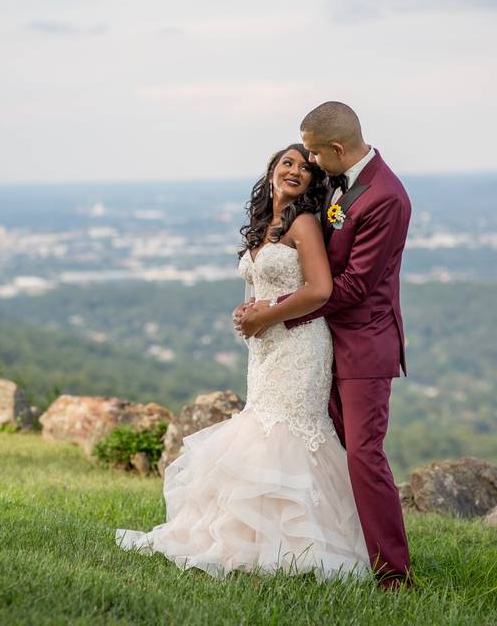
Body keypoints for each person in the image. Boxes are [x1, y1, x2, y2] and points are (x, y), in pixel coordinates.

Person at [114, 143, 374, 582]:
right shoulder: (265, 225)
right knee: (262, 426)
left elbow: (320, 290)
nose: (294, 171)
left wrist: (264, 316)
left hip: (299, 343)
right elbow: (260, 286)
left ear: (313, 182)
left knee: (286, 430)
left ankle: (296, 543)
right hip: (266, 346)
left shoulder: (306, 223)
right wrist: (247, 312)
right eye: (286, 163)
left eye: (304, 168)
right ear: (271, 171)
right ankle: (250, 537)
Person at [235, 101, 412, 590]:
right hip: (318, 341)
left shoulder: (385, 197)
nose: (307, 163)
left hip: (362, 345)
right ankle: (329, 546)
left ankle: (394, 575)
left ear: (335, 148)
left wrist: (273, 314)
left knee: (363, 454)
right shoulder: (342, 182)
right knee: (324, 450)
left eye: (312, 153)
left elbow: (351, 286)